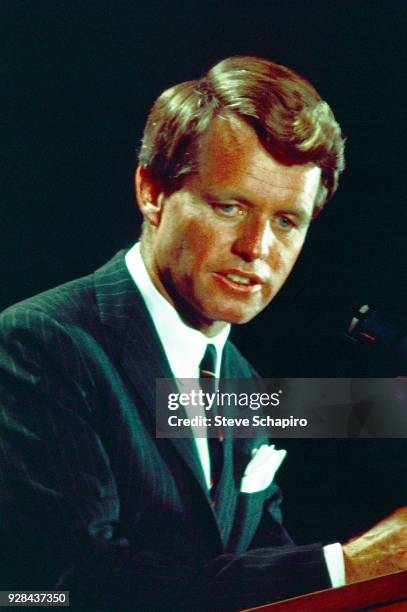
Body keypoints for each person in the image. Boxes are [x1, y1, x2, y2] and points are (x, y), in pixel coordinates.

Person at [0, 56, 405, 611]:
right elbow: (66, 589)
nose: (257, 247)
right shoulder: (40, 343)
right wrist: (349, 566)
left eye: (287, 221)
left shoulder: (239, 379)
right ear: (152, 192)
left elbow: (259, 572)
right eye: (230, 206)